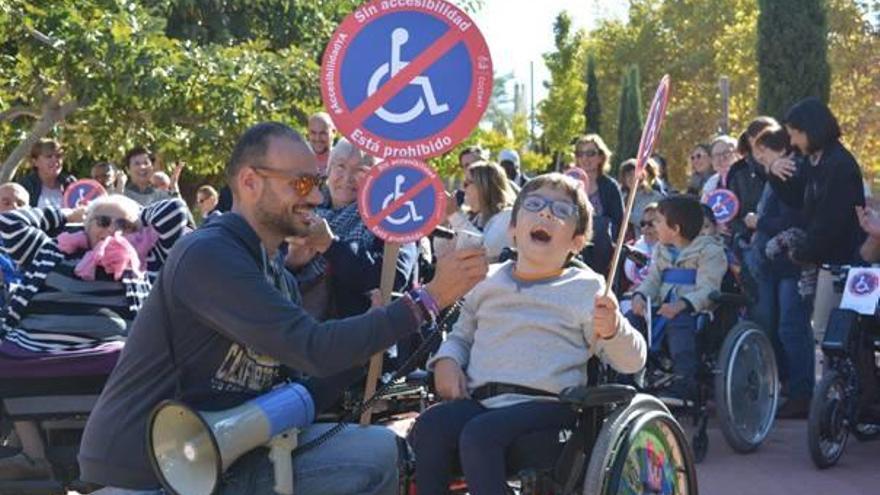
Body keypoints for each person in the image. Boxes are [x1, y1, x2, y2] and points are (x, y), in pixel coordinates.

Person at [78, 122, 488, 495]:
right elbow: (312, 347)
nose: (316, 194)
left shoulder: (274, 269)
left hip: (225, 458)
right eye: (301, 182)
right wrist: (427, 300)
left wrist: (372, 338)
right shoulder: (210, 254)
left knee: (380, 453)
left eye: (317, 180)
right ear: (250, 181)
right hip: (142, 470)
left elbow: (304, 378)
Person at [412, 173, 646, 495]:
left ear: (576, 242)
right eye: (534, 205)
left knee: (480, 435)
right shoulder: (486, 280)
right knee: (430, 426)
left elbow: (632, 361)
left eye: (561, 211)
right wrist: (447, 360)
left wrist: (614, 329)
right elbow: (460, 335)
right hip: (483, 402)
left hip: (548, 408)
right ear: (512, 229)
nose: (546, 213)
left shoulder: (588, 288)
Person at [0, 194, 188, 481]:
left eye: (124, 224)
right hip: (35, 344)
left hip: (107, 347)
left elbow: (174, 212)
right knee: (5, 356)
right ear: (86, 225)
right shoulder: (51, 249)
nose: (113, 229)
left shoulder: (144, 256)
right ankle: (33, 455)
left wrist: (139, 218)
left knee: (130, 362)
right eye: (102, 221)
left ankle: (101, 461)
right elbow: (8, 223)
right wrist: (68, 214)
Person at [767, 97, 866, 341]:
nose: (792, 142)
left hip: (841, 262)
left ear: (811, 129)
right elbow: (799, 200)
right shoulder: (815, 162)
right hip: (825, 261)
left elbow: (830, 222)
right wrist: (775, 173)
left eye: (795, 134)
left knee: (828, 333)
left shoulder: (839, 165)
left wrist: (803, 252)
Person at [287, 138, 418, 320]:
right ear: (328, 169)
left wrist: (330, 245)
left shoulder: (393, 216)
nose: (347, 178)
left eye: (361, 171)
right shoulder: (302, 210)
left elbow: (394, 277)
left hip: (362, 335)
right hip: (295, 331)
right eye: (340, 166)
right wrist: (292, 262)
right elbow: (268, 272)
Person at [627, 196, 728, 401]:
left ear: (675, 229)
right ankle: (627, 377)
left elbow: (708, 289)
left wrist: (682, 304)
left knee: (678, 322)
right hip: (663, 307)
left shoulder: (710, 251)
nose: (654, 226)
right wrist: (639, 296)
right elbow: (653, 280)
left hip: (694, 312)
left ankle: (684, 384)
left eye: (658, 222)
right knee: (632, 319)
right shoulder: (661, 250)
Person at [747, 125, 814, 418]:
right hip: (771, 263)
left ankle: (802, 393)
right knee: (774, 327)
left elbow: (794, 218)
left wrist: (757, 222)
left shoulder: (789, 172)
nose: (759, 157)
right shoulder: (773, 174)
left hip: (791, 263)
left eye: (763, 151)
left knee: (792, 327)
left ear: (781, 150)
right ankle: (788, 386)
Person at [435, 161, 516, 263]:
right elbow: (442, 255)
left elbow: (486, 251)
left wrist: (454, 215)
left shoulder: (507, 216)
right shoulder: (473, 218)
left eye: (466, 184)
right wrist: (445, 222)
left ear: (483, 186)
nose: (463, 189)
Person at [726, 117, 776, 240]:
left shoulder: (788, 165)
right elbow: (730, 214)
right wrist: (746, 233)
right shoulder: (737, 172)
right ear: (750, 140)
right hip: (747, 240)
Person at [573, 135, 624, 239]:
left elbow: (619, 222)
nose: (585, 158)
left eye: (590, 153)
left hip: (600, 245)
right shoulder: (570, 184)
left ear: (601, 157)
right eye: (580, 154)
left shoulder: (610, 186)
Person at [18, 139, 76, 208]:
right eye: (49, 156)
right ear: (35, 162)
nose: (55, 160)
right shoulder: (26, 185)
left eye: (58, 156)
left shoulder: (70, 182)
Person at [619, 159, 665, 237]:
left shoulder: (654, 197)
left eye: (635, 174)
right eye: (628, 175)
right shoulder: (620, 196)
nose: (632, 178)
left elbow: (650, 222)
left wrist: (625, 215)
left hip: (643, 242)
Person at [623, 203, 659, 288]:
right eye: (643, 224)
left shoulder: (670, 250)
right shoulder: (635, 246)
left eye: (651, 224)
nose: (645, 228)